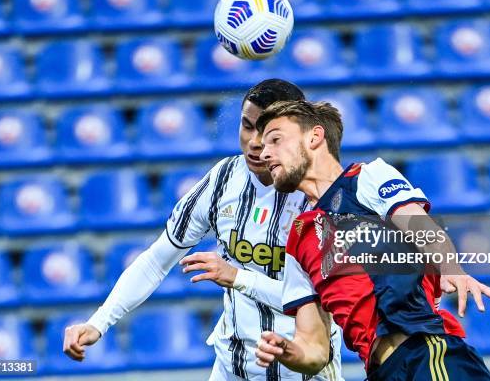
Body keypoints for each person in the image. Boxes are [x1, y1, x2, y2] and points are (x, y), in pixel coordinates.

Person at [62, 80, 344, 381]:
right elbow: (157, 260)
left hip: (302, 372)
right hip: (231, 368)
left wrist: (238, 278)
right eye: (247, 126)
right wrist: (98, 322)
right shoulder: (224, 180)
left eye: (268, 134)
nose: (254, 142)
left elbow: (323, 301)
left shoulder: (323, 198)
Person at [254, 100, 490, 380]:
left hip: (427, 352)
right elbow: (315, 351)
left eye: (275, 140)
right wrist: (289, 352)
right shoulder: (298, 238)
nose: (264, 153)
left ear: (314, 137)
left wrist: (450, 267)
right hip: (381, 371)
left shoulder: (367, 177)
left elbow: (419, 223)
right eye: (263, 146)